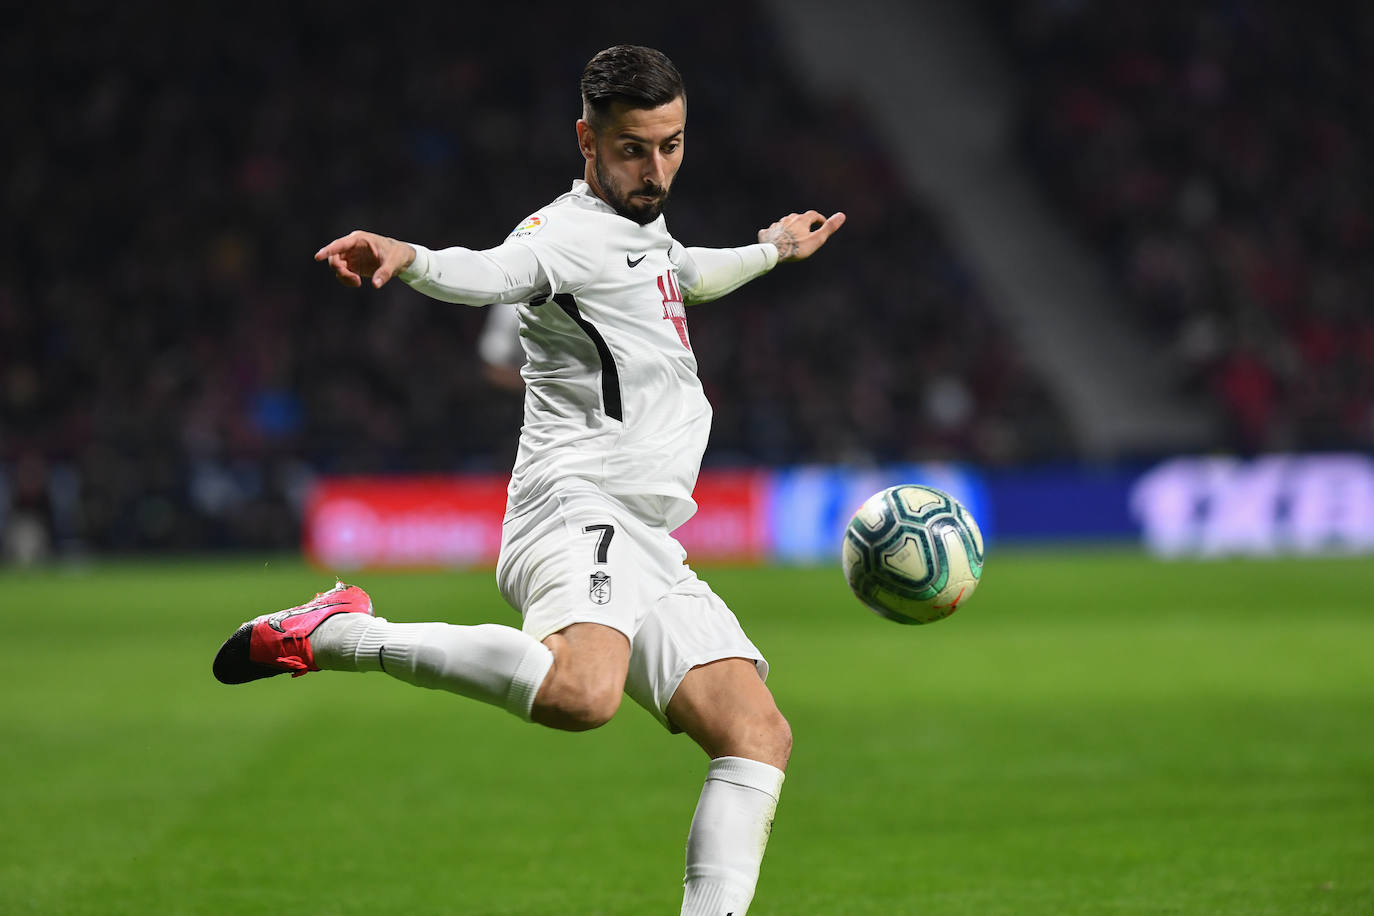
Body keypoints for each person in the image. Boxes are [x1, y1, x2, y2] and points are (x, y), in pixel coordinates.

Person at [213, 44, 844, 915]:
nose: (655, 168)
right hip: (577, 505)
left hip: (646, 534)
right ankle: (337, 634)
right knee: (580, 694)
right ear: (586, 140)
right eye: (633, 148)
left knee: (755, 734)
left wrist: (772, 251)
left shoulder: (639, 226)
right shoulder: (563, 234)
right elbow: (496, 272)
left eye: (672, 144)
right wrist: (414, 256)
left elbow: (681, 272)